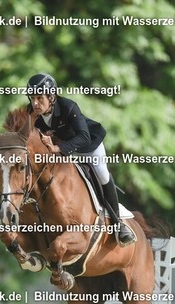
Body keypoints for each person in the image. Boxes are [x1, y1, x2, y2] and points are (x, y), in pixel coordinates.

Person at [25, 73, 136, 247]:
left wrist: (58, 148)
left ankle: (118, 224)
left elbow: (83, 136)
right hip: (60, 151)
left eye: (40, 98)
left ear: (51, 97)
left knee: (102, 174)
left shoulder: (68, 107)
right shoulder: (31, 113)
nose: (35, 104)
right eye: (32, 98)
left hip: (88, 147)